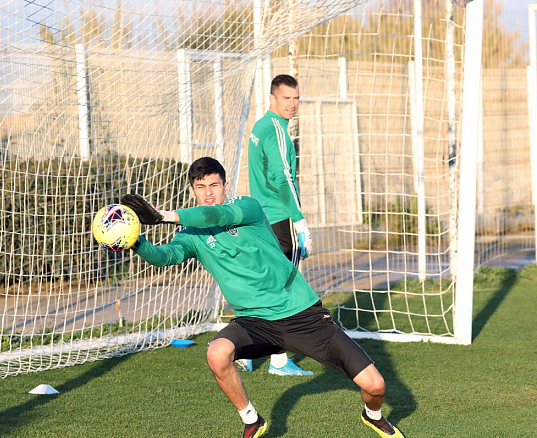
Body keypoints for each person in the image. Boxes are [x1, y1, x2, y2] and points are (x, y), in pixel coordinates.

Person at [119, 157, 404, 438]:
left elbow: (216, 216)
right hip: (254, 322)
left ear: (225, 185)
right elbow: (164, 257)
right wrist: (135, 241)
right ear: (192, 190)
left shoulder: (247, 208)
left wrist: (164, 215)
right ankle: (252, 420)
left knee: (376, 385)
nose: (208, 193)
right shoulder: (191, 234)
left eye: (214, 185)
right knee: (217, 352)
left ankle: (372, 415)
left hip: (302, 316)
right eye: (201, 187)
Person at [239, 73, 313, 376]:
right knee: (285, 288)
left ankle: (245, 350)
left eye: (296, 98)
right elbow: (283, 179)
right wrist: (300, 221)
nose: (292, 104)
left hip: (262, 219)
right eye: (286, 98)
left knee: (265, 284)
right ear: (272, 98)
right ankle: (278, 361)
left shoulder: (259, 127)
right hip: (281, 219)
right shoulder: (277, 131)